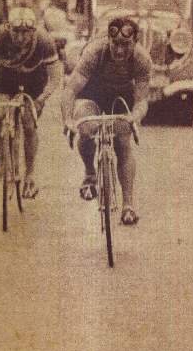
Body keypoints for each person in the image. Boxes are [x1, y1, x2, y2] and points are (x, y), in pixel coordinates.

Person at [61, 16, 151, 225]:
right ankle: (90, 173)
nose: (119, 51)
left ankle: (128, 205)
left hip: (122, 97)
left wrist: (133, 118)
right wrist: (68, 120)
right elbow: (71, 90)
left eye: (125, 45)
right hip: (93, 94)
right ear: (108, 40)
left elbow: (141, 101)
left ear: (135, 42)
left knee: (122, 142)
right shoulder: (95, 52)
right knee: (85, 128)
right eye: (115, 44)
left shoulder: (142, 59)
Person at [0, 7, 62, 199]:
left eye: (25, 33)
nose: (20, 38)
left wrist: (41, 99)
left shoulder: (44, 40)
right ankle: (2, 149)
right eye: (15, 32)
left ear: (33, 31)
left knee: (29, 124)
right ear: (8, 28)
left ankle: (30, 177)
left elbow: (55, 77)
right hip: (6, 80)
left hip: (34, 84)